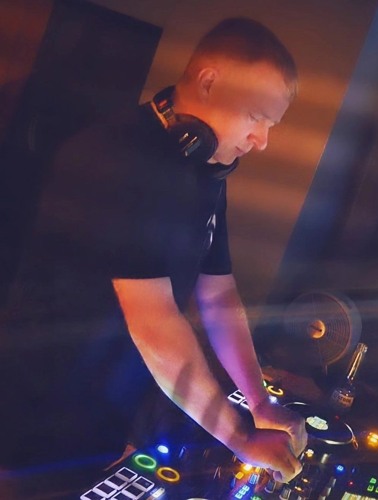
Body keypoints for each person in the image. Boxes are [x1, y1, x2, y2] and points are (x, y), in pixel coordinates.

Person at [0, 17, 306, 489]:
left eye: (270, 124)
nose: (261, 141)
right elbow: (154, 322)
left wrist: (259, 402)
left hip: (103, 417)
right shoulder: (119, 156)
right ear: (209, 81)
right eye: (255, 117)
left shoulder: (205, 168)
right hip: (30, 414)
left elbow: (218, 295)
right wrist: (240, 439)